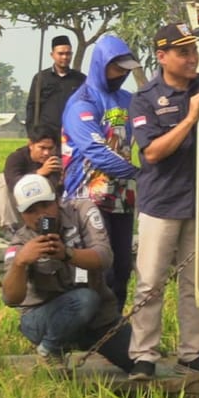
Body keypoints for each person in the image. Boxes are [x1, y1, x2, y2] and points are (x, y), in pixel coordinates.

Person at [127, 23, 199, 381]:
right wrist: (192, 117)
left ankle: (191, 353)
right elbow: (153, 151)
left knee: (196, 284)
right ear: (162, 57)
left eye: (193, 51)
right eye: (183, 52)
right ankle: (143, 355)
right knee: (150, 282)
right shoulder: (145, 98)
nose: (192, 58)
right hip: (161, 203)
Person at [0, 173, 134, 373]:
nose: (41, 215)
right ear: (21, 214)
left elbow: (105, 257)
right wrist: (20, 263)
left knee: (138, 358)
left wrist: (67, 254)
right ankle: (51, 349)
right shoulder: (20, 242)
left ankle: (77, 343)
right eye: (31, 211)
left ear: (57, 200)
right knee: (84, 299)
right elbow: (10, 298)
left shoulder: (81, 211)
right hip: (43, 318)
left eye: (46, 205)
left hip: (97, 317)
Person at [61, 35, 140, 311]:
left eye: (126, 70)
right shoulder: (82, 102)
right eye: (117, 69)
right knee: (96, 267)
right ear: (101, 65)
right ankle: (87, 329)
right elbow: (96, 151)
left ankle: (114, 327)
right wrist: (140, 174)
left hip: (121, 197)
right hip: (87, 198)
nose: (122, 75)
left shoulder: (127, 100)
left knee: (121, 268)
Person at [0, 124, 62, 241]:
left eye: (50, 149)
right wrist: (40, 173)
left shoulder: (54, 161)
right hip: (6, 209)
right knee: (3, 179)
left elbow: (53, 191)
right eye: (42, 148)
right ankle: (7, 228)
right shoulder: (16, 158)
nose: (46, 153)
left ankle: (46, 229)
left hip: (36, 212)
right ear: (30, 145)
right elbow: (13, 185)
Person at [25, 35, 86, 136]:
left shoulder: (80, 79)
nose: (64, 57)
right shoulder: (41, 78)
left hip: (73, 134)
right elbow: (31, 107)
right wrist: (32, 134)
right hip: (47, 135)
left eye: (68, 54)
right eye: (60, 54)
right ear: (52, 55)